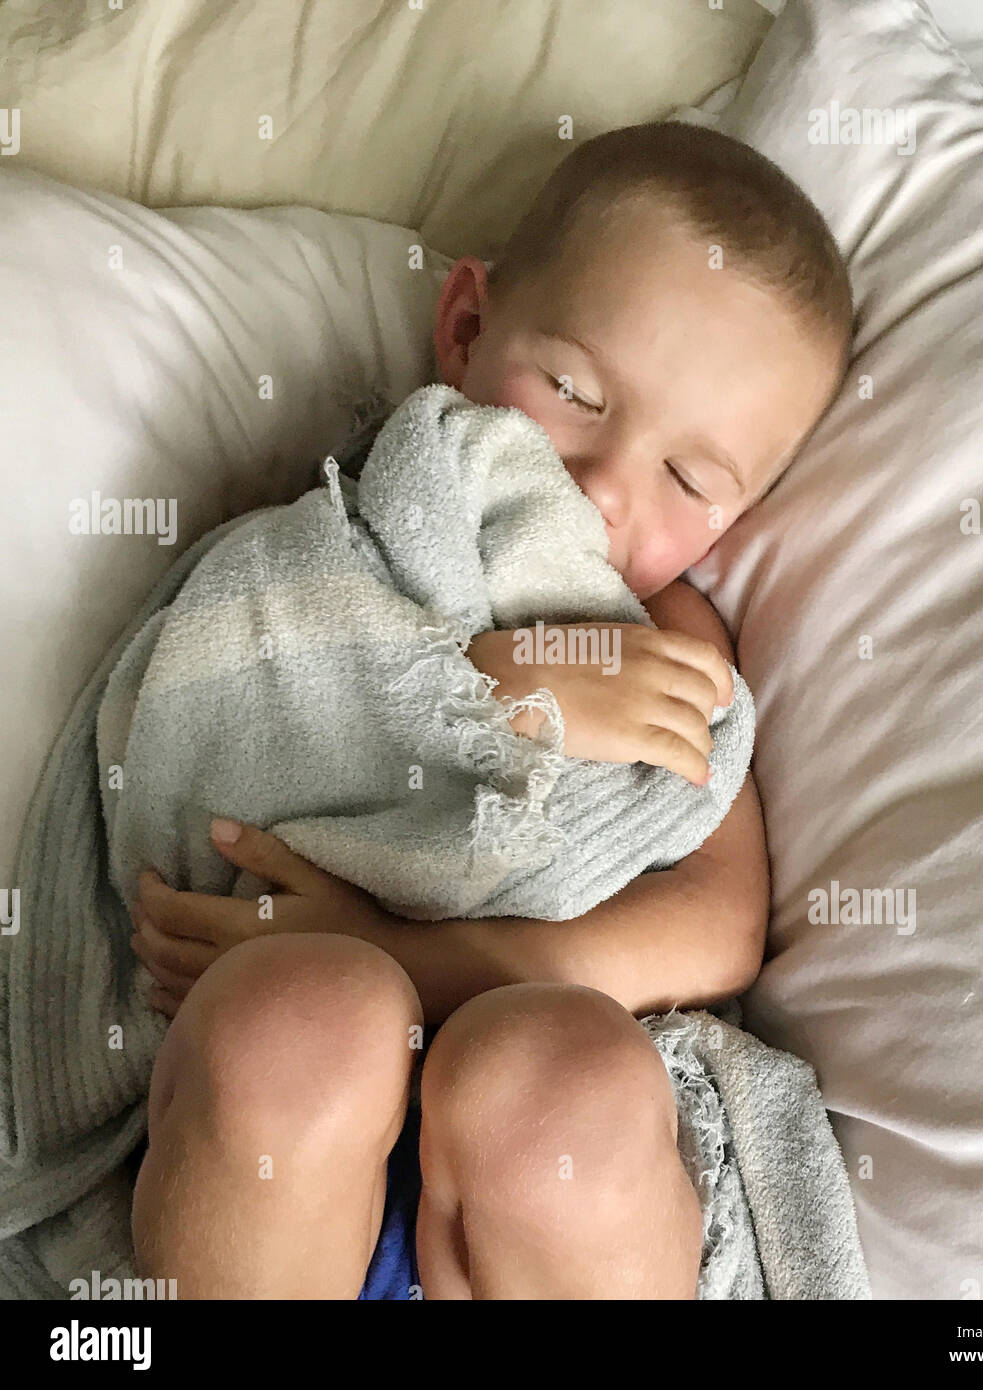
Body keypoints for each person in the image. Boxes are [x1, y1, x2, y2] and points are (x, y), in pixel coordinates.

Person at [128, 121, 853, 1299]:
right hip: (270, 1186)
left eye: (689, 479)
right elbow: (218, 734)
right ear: (466, 325)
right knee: (297, 1016)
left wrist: (411, 957)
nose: (603, 487)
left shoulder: (673, 639)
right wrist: (485, 686)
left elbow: (718, 925)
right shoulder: (341, 538)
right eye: (573, 391)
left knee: (566, 1078)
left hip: (529, 1181)